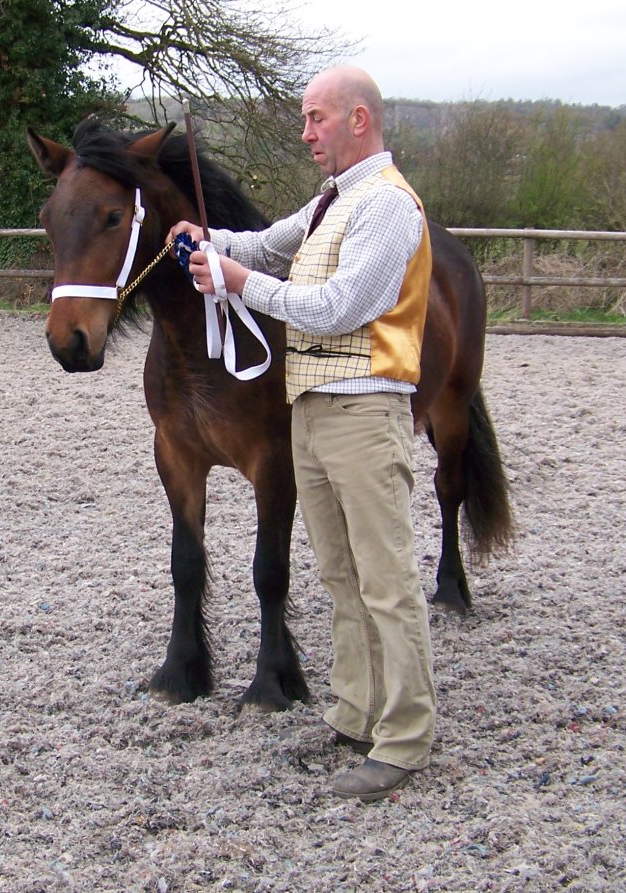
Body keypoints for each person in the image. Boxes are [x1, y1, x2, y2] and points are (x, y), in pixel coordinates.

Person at [167, 65, 436, 802]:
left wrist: (233, 279)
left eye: (316, 118)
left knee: (385, 579)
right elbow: (261, 244)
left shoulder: (386, 206)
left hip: (364, 409)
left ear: (359, 119)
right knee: (341, 575)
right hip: (314, 411)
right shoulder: (330, 203)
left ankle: (407, 736)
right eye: (305, 119)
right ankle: (355, 710)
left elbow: (339, 306)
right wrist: (207, 239)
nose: (306, 132)